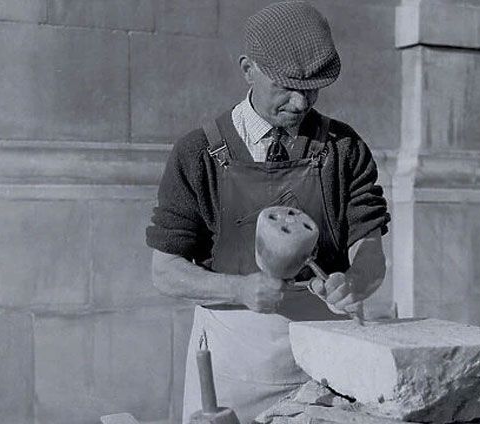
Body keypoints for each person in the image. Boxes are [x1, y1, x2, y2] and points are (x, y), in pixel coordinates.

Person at [145, 2, 390, 423]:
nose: (300, 102)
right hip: (231, 369)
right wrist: (239, 290)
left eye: (312, 88)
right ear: (248, 69)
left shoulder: (343, 149)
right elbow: (164, 270)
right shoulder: (197, 153)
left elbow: (369, 248)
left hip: (326, 369)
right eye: (287, 86)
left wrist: (356, 282)